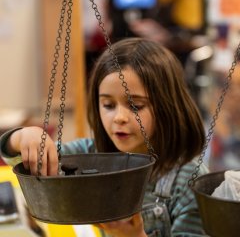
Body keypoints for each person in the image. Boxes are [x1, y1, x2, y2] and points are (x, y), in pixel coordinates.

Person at [0, 38, 208, 236]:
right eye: (108, 105)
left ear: (167, 106)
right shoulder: (92, 153)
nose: (119, 117)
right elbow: (24, 163)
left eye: (135, 106)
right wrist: (23, 137)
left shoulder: (189, 182)